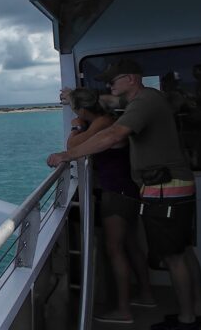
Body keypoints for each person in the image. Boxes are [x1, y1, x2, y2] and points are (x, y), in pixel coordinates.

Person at [47, 59, 201, 330]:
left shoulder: (143, 102)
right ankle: (199, 310)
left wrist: (68, 155)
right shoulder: (146, 98)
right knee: (184, 252)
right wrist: (72, 95)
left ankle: (188, 319)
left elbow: (113, 135)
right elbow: (104, 101)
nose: (109, 84)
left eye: (114, 79)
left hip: (164, 188)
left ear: (131, 79)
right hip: (173, 184)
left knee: (174, 257)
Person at [64, 87, 155, 323]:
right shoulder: (106, 119)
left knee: (115, 250)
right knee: (132, 245)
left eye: (76, 108)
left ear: (82, 110)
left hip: (117, 192)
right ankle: (146, 294)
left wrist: (75, 125)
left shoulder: (102, 123)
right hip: (128, 190)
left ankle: (123, 310)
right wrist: (71, 95)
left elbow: (72, 147)